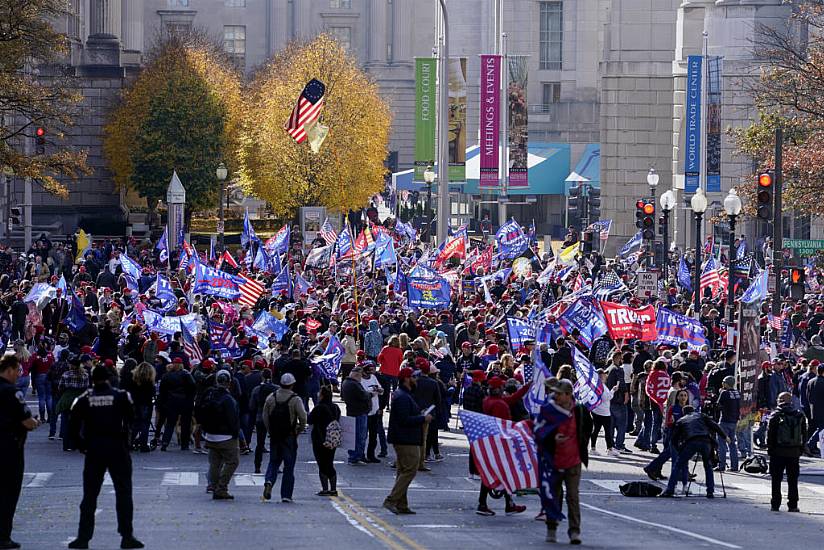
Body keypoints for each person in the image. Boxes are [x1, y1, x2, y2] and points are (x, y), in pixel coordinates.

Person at [68, 366, 143, 549]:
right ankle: (127, 535)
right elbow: (134, 418)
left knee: (90, 495)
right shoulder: (121, 396)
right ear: (110, 378)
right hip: (117, 446)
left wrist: (81, 444)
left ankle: (83, 537)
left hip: (94, 448)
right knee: (124, 492)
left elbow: (72, 424)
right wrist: (128, 440)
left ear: (92, 379)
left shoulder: (85, 398)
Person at [536, 379, 593, 545]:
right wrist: (553, 438)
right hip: (554, 459)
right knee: (553, 496)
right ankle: (551, 528)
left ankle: (574, 531)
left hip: (573, 460)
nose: (555, 396)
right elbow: (539, 430)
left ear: (568, 395)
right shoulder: (550, 410)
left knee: (573, 497)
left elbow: (587, 428)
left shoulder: (579, 411)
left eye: (559, 394)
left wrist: (581, 444)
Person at [0, 354, 40, 550]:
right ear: (9, 370)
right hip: (9, 448)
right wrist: (35, 423)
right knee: (8, 493)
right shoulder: (11, 392)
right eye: (18, 370)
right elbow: (27, 421)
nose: (19, 374)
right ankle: (3, 536)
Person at [383, 367, 432, 515]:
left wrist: (420, 414)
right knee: (410, 469)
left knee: (403, 470)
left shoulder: (404, 395)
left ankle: (401, 504)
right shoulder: (403, 396)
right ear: (406, 379)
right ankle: (391, 500)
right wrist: (423, 418)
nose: (416, 379)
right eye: (413, 377)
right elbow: (404, 420)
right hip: (405, 439)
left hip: (405, 438)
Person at [660, 405, 728, 498]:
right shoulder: (701, 415)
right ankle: (710, 491)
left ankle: (670, 490)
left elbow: (674, 438)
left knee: (678, 465)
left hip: (691, 442)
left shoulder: (681, 420)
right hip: (706, 441)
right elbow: (715, 425)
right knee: (708, 466)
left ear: (683, 413)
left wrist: (679, 450)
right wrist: (725, 436)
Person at [262, 372, 307, 502]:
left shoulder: (271, 397)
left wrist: (270, 430)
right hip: (289, 436)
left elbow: (266, 416)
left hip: (275, 435)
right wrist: (299, 430)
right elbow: (303, 417)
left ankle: (269, 481)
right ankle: (286, 495)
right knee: (289, 465)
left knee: (274, 461)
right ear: (292, 384)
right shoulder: (295, 399)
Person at [198, 370, 240, 500]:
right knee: (232, 461)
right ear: (229, 383)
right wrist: (235, 433)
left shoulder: (210, 395)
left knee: (215, 463)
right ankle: (222, 487)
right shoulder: (228, 399)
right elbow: (233, 418)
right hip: (226, 435)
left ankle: (214, 485)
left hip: (210, 434)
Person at [767, 392, 807, 512]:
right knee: (793, 480)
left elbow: (770, 435)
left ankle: (775, 504)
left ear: (779, 400)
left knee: (776, 479)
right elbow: (803, 435)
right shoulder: (799, 415)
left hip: (778, 452)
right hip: (793, 452)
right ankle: (793, 504)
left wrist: (770, 449)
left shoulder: (775, 415)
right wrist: (801, 448)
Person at [307, 385, 342, 496]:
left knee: (322, 463)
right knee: (329, 462)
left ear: (322, 395)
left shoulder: (319, 408)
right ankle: (333, 488)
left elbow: (310, 420)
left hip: (320, 438)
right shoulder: (336, 407)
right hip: (332, 438)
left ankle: (325, 488)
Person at [341, 365, 372, 465]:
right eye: (360, 376)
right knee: (359, 436)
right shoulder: (354, 384)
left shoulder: (346, 382)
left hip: (353, 411)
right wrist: (371, 394)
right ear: (356, 375)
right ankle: (355, 457)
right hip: (359, 413)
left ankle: (355, 456)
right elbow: (363, 395)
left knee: (354, 436)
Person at [248, 368, 277, 474]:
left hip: (260, 418)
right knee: (275, 443)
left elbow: (252, 406)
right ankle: (275, 466)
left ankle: (257, 466)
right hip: (274, 419)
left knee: (260, 444)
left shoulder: (256, 390)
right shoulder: (276, 389)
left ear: (262, 377)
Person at [715, 376, 740, 472]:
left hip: (724, 420)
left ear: (726, 383)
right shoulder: (737, 393)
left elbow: (718, 405)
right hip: (734, 421)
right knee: (732, 444)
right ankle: (734, 466)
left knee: (722, 443)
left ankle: (721, 465)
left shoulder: (724, 393)